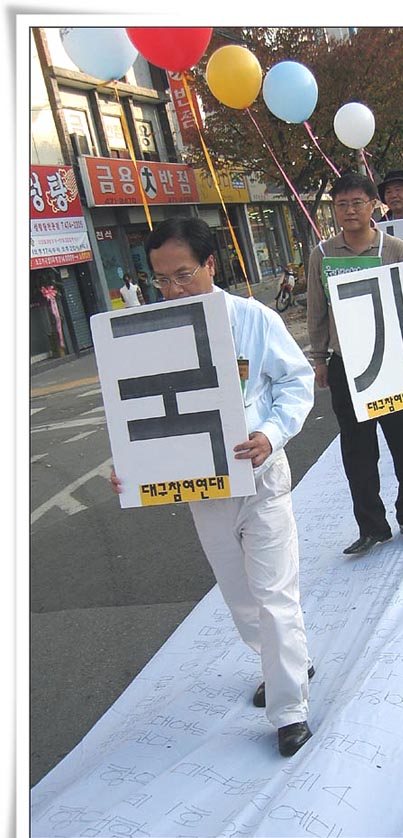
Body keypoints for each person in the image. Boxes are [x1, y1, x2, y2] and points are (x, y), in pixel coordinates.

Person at [110, 217, 315, 758]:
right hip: (201, 489)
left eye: (183, 275)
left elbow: (297, 381)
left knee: (273, 595)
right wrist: (132, 464)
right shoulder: (151, 332)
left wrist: (271, 435)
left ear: (210, 265)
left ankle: (290, 708)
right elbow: (145, 412)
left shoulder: (252, 319)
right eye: (161, 280)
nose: (173, 290)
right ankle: (279, 658)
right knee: (241, 597)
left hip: (261, 479)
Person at [307, 171, 403, 554]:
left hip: (393, 362)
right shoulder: (322, 255)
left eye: (356, 202)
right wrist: (320, 358)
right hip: (347, 365)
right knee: (358, 452)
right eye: (341, 204)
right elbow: (316, 309)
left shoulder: (394, 248)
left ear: (372, 205)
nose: (349, 210)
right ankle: (372, 526)